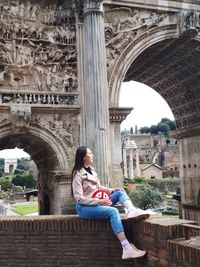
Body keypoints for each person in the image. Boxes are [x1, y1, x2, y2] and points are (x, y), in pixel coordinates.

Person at [71, 146, 150, 260]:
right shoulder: (77, 174)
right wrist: (99, 201)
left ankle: (132, 211)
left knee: (120, 192)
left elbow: (99, 187)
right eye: (90, 153)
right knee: (113, 211)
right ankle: (126, 248)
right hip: (84, 208)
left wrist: (112, 190)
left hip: (97, 201)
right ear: (84, 157)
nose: (92, 155)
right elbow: (78, 198)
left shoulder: (91, 170)